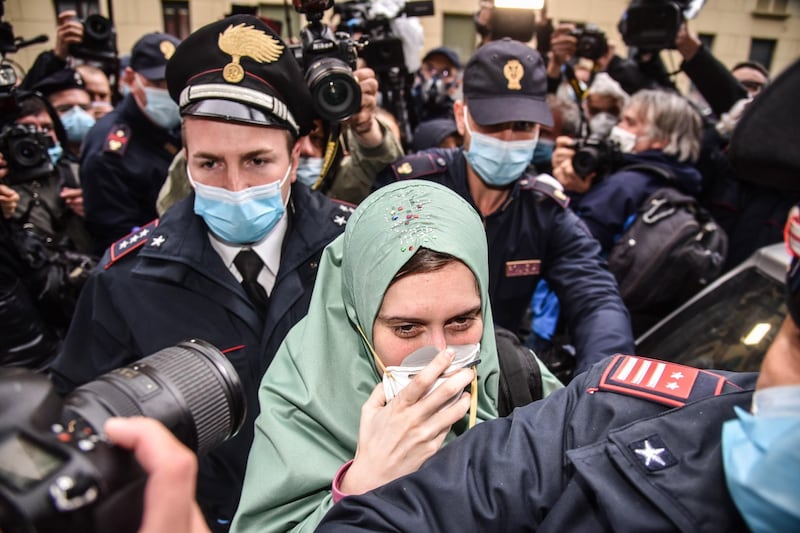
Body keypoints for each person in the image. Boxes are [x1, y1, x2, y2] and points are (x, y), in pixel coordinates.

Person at [46, 14, 352, 532]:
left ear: (297, 151)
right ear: (185, 157)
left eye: (257, 160)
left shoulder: (354, 247)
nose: (234, 185)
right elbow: (76, 422)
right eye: (210, 163)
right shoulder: (127, 279)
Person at [231, 180, 561, 532]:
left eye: (461, 321)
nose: (440, 354)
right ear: (358, 318)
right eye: (407, 328)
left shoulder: (515, 377)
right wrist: (362, 484)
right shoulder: (302, 391)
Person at [375, 38, 634, 374]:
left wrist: (606, 380)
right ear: (460, 117)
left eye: (523, 127)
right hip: (405, 372)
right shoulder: (411, 189)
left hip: (495, 380)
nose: (508, 139)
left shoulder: (543, 211)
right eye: (493, 125)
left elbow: (596, 299)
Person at [552, 89, 704, 253]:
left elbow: (570, 246)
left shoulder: (626, 185)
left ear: (662, 139)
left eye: (630, 123)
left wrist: (571, 193)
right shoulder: (678, 180)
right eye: (621, 120)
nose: (618, 127)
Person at [78, 31, 182, 253]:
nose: (169, 92)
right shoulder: (109, 150)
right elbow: (116, 238)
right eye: (158, 82)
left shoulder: (179, 126)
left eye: (176, 82)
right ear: (129, 78)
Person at [0, 91, 93, 254]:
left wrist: (95, 210)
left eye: (47, 127)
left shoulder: (79, 175)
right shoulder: (3, 182)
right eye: (27, 129)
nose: (39, 135)